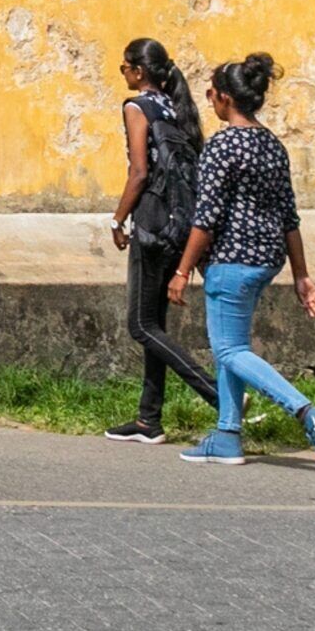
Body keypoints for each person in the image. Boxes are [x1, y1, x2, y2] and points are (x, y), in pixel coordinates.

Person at [167, 52, 315, 474]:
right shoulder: (271, 146)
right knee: (232, 348)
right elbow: (290, 216)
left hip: (230, 261)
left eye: (211, 92)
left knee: (229, 349)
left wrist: (181, 269)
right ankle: (227, 435)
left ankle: (309, 415)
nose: (208, 99)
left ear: (226, 99)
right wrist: (301, 275)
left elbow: (205, 218)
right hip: (266, 260)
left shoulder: (223, 146)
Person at [101, 38, 219, 444]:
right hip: (181, 224)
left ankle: (219, 396)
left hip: (152, 221)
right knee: (155, 324)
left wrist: (117, 220)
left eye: (124, 68)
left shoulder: (137, 107)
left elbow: (139, 172)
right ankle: (148, 419)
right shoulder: (177, 107)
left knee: (139, 324)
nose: (124, 74)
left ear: (138, 71)